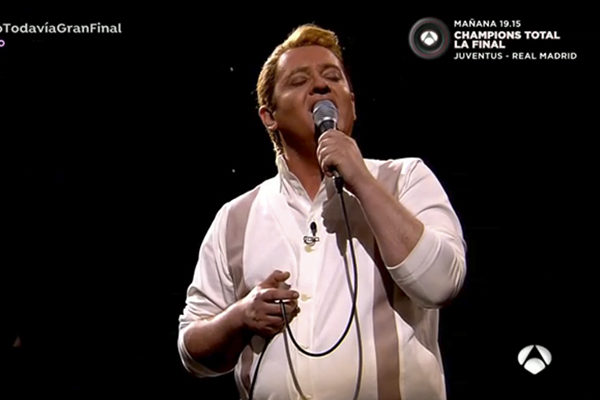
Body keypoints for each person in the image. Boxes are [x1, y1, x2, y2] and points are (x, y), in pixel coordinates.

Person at [178, 24, 466, 400]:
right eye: (299, 80)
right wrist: (240, 316)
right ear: (269, 116)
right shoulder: (236, 217)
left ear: (351, 103)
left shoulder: (405, 178)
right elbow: (192, 352)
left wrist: (360, 178)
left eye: (333, 77)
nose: (320, 85)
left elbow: (441, 283)